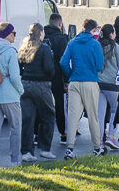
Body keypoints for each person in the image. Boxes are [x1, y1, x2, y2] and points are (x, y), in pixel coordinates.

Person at [60, 19, 104, 160]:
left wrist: (71, 73)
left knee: (73, 117)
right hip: (90, 82)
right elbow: (99, 66)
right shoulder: (95, 44)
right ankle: (97, 147)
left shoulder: (72, 43)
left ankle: (70, 148)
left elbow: (63, 62)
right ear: (93, 30)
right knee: (93, 116)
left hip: (74, 81)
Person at [0, 23, 24, 168]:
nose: (14, 35)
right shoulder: (10, 51)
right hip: (10, 96)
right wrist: (21, 91)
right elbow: (14, 77)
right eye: (13, 33)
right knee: (15, 129)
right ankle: (14, 161)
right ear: (6, 34)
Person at [17, 22, 55, 161]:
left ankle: (26, 152)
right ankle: (45, 148)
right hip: (41, 84)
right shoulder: (44, 48)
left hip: (25, 84)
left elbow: (18, 65)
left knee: (28, 118)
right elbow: (49, 68)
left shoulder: (24, 47)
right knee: (48, 115)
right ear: (41, 33)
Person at [95, 24, 119, 150]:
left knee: (100, 114)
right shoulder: (116, 47)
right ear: (111, 34)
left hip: (99, 83)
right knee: (114, 109)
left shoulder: (97, 46)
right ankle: (111, 135)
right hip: (112, 84)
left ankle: (100, 139)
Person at [43, 13, 69, 144]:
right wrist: (66, 79)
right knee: (60, 105)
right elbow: (63, 61)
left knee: (41, 105)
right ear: (60, 24)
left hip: (42, 75)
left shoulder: (42, 35)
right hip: (57, 76)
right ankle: (63, 133)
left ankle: (37, 133)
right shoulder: (61, 38)